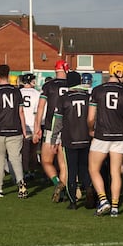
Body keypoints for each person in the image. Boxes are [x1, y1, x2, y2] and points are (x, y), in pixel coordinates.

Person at [87, 61, 123, 216]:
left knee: (93, 169)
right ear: (120, 73)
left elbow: (90, 117)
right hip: (119, 136)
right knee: (116, 171)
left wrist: (90, 130)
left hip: (102, 135)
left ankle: (103, 200)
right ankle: (115, 207)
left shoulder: (97, 90)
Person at [50, 72, 93, 210]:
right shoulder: (88, 97)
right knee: (84, 168)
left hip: (70, 139)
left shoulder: (64, 99)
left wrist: (53, 138)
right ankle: (89, 189)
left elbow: (58, 122)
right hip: (86, 138)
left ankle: (73, 201)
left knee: (71, 171)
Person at [0, 64, 28, 198]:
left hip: (0, 129)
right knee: (16, 159)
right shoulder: (16, 91)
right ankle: (21, 184)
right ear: (9, 74)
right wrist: (24, 129)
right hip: (15, 129)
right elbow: (21, 111)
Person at [34, 60, 69, 202]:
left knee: (46, 161)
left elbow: (41, 107)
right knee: (63, 164)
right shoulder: (72, 85)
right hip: (68, 127)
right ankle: (64, 188)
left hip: (51, 126)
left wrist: (37, 126)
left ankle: (57, 183)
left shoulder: (49, 86)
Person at [18, 73, 40, 180]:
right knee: (32, 151)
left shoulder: (18, 92)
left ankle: (25, 171)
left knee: (23, 151)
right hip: (33, 124)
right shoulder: (37, 93)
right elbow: (38, 113)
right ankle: (31, 170)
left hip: (21, 124)